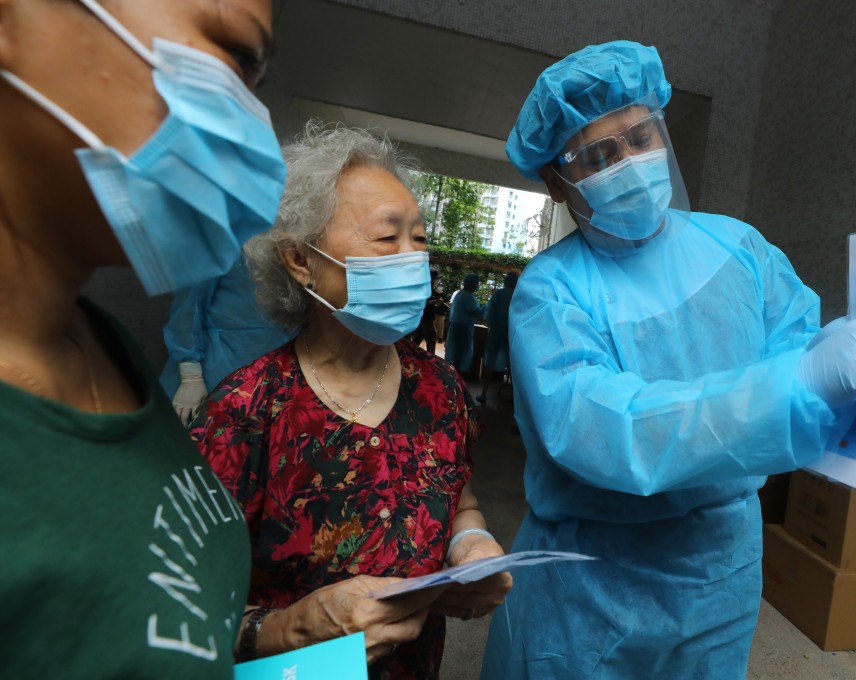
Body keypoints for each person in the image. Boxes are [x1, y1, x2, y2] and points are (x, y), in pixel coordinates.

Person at [480, 40, 856, 680]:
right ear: (556, 178)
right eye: (600, 156)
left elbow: (795, 353)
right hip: (593, 581)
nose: (629, 162)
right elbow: (603, 428)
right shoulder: (552, 289)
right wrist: (794, 383)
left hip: (721, 564)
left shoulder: (739, 248)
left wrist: (842, 354)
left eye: (641, 137)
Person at [0, 1, 448, 675]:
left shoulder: (100, 352)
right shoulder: (247, 402)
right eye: (233, 57)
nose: (251, 134)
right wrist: (281, 632)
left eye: (255, 82)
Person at [189, 123, 512, 679]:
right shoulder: (245, 411)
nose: (413, 259)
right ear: (298, 258)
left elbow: (456, 493)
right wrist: (284, 631)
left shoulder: (441, 388)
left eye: (420, 238)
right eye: (387, 239)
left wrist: (472, 543)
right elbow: (177, 602)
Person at [160, 258, 292, 424]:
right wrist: (190, 374)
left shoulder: (306, 242)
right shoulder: (226, 240)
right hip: (213, 367)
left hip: (280, 371)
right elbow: (189, 302)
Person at [478, 271, 518, 404]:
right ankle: (515, 398)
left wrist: (491, 324)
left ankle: (484, 394)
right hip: (512, 332)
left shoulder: (498, 294)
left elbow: (489, 313)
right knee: (513, 364)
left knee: (490, 361)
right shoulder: (517, 296)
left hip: (496, 331)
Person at [443, 273, 486, 378]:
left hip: (456, 327)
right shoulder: (468, 297)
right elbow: (476, 312)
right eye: (476, 284)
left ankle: (451, 377)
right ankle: (457, 379)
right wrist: (485, 307)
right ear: (471, 285)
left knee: (453, 353)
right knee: (461, 354)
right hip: (463, 329)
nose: (477, 287)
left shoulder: (459, 294)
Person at [410, 268, 449, 354]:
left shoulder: (428, 287)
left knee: (416, 342)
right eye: (436, 278)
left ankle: (408, 359)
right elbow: (423, 302)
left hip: (422, 318)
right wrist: (435, 302)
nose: (437, 280)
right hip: (426, 319)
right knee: (431, 339)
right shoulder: (427, 288)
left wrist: (436, 303)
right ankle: (431, 361)